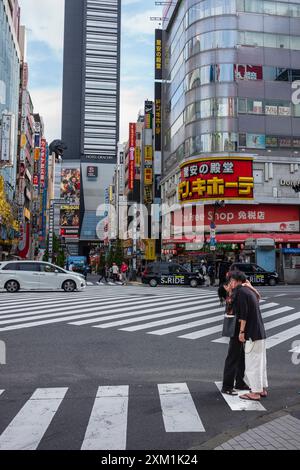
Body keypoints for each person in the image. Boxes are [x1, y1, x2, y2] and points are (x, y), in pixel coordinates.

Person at [220, 272, 262, 396]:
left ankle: (239, 382)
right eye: (230, 282)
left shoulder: (238, 292)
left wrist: (250, 287)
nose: (230, 284)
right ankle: (227, 385)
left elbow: (258, 297)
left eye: (232, 281)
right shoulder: (234, 294)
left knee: (241, 356)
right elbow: (239, 312)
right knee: (233, 356)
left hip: (240, 329)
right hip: (236, 329)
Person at [233, 276, 268, 402]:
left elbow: (243, 315)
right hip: (260, 332)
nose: (230, 283)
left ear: (236, 281)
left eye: (231, 280)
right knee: (261, 363)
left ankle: (255, 392)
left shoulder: (241, 292)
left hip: (252, 334)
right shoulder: (250, 291)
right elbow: (259, 297)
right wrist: (251, 286)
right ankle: (262, 389)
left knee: (252, 364)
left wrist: (241, 332)